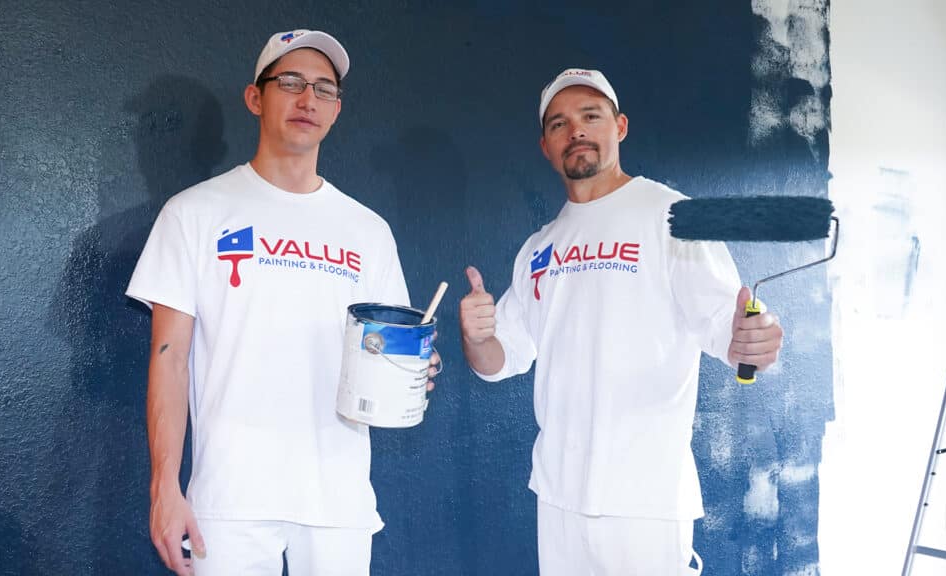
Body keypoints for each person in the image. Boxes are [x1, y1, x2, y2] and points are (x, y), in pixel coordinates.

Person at [127, 29, 438, 576]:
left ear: (337, 109)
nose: (307, 99)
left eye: (323, 88)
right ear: (255, 97)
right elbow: (169, 360)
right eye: (290, 82)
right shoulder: (194, 213)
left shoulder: (368, 231)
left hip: (337, 500)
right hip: (228, 501)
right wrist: (164, 490)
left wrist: (412, 370)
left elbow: (385, 352)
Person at [458, 68, 783, 576]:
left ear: (620, 126)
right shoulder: (539, 248)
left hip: (645, 502)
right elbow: (501, 359)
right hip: (559, 494)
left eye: (591, 116)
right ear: (545, 145)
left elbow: (729, 328)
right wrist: (477, 337)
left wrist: (754, 339)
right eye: (560, 124)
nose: (577, 131)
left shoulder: (672, 215)